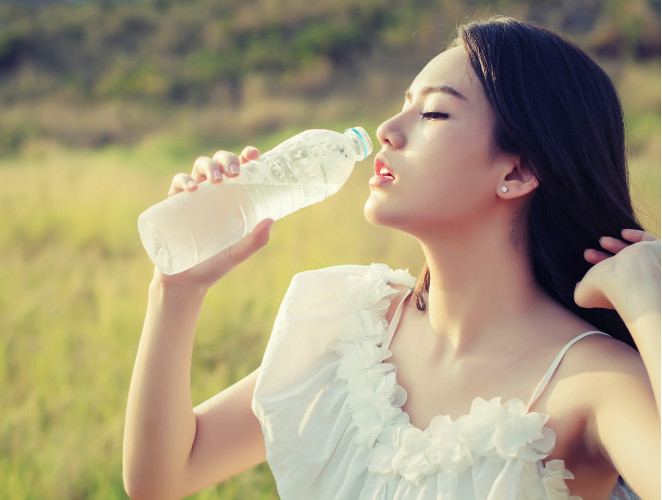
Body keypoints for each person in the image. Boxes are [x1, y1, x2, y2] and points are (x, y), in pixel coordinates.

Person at [122, 16, 661, 500]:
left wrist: (648, 302)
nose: (388, 130)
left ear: (516, 173)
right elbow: (163, 477)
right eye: (404, 103)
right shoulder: (353, 332)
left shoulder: (595, 383)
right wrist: (177, 290)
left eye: (434, 111)